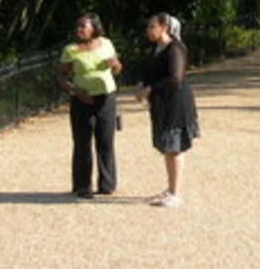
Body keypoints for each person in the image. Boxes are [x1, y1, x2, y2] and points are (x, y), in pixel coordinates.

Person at [135, 12, 200, 208]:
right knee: (167, 148)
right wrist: (142, 85)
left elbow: (175, 78)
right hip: (162, 104)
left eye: (151, 27)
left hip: (175, 104)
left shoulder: (175, 48)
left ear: (164, 27)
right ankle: (171, 186)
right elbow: (152, 73)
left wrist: (151, 89)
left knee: (175, 147)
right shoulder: (157, 49)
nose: (148, 31)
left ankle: (176, 192)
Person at [58, 12, 123, 199]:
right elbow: (61, 75)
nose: (79, 30)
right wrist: (75, 90)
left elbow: (118, 68)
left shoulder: (106, 43)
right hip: (82, 100)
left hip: (106, 97)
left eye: (83, 27)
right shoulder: (71, 49)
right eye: (77, 27)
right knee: (82, 142)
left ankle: (107, 184)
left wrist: (115, 64)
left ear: (94, 28)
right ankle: (82, 186)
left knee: (105, 141)